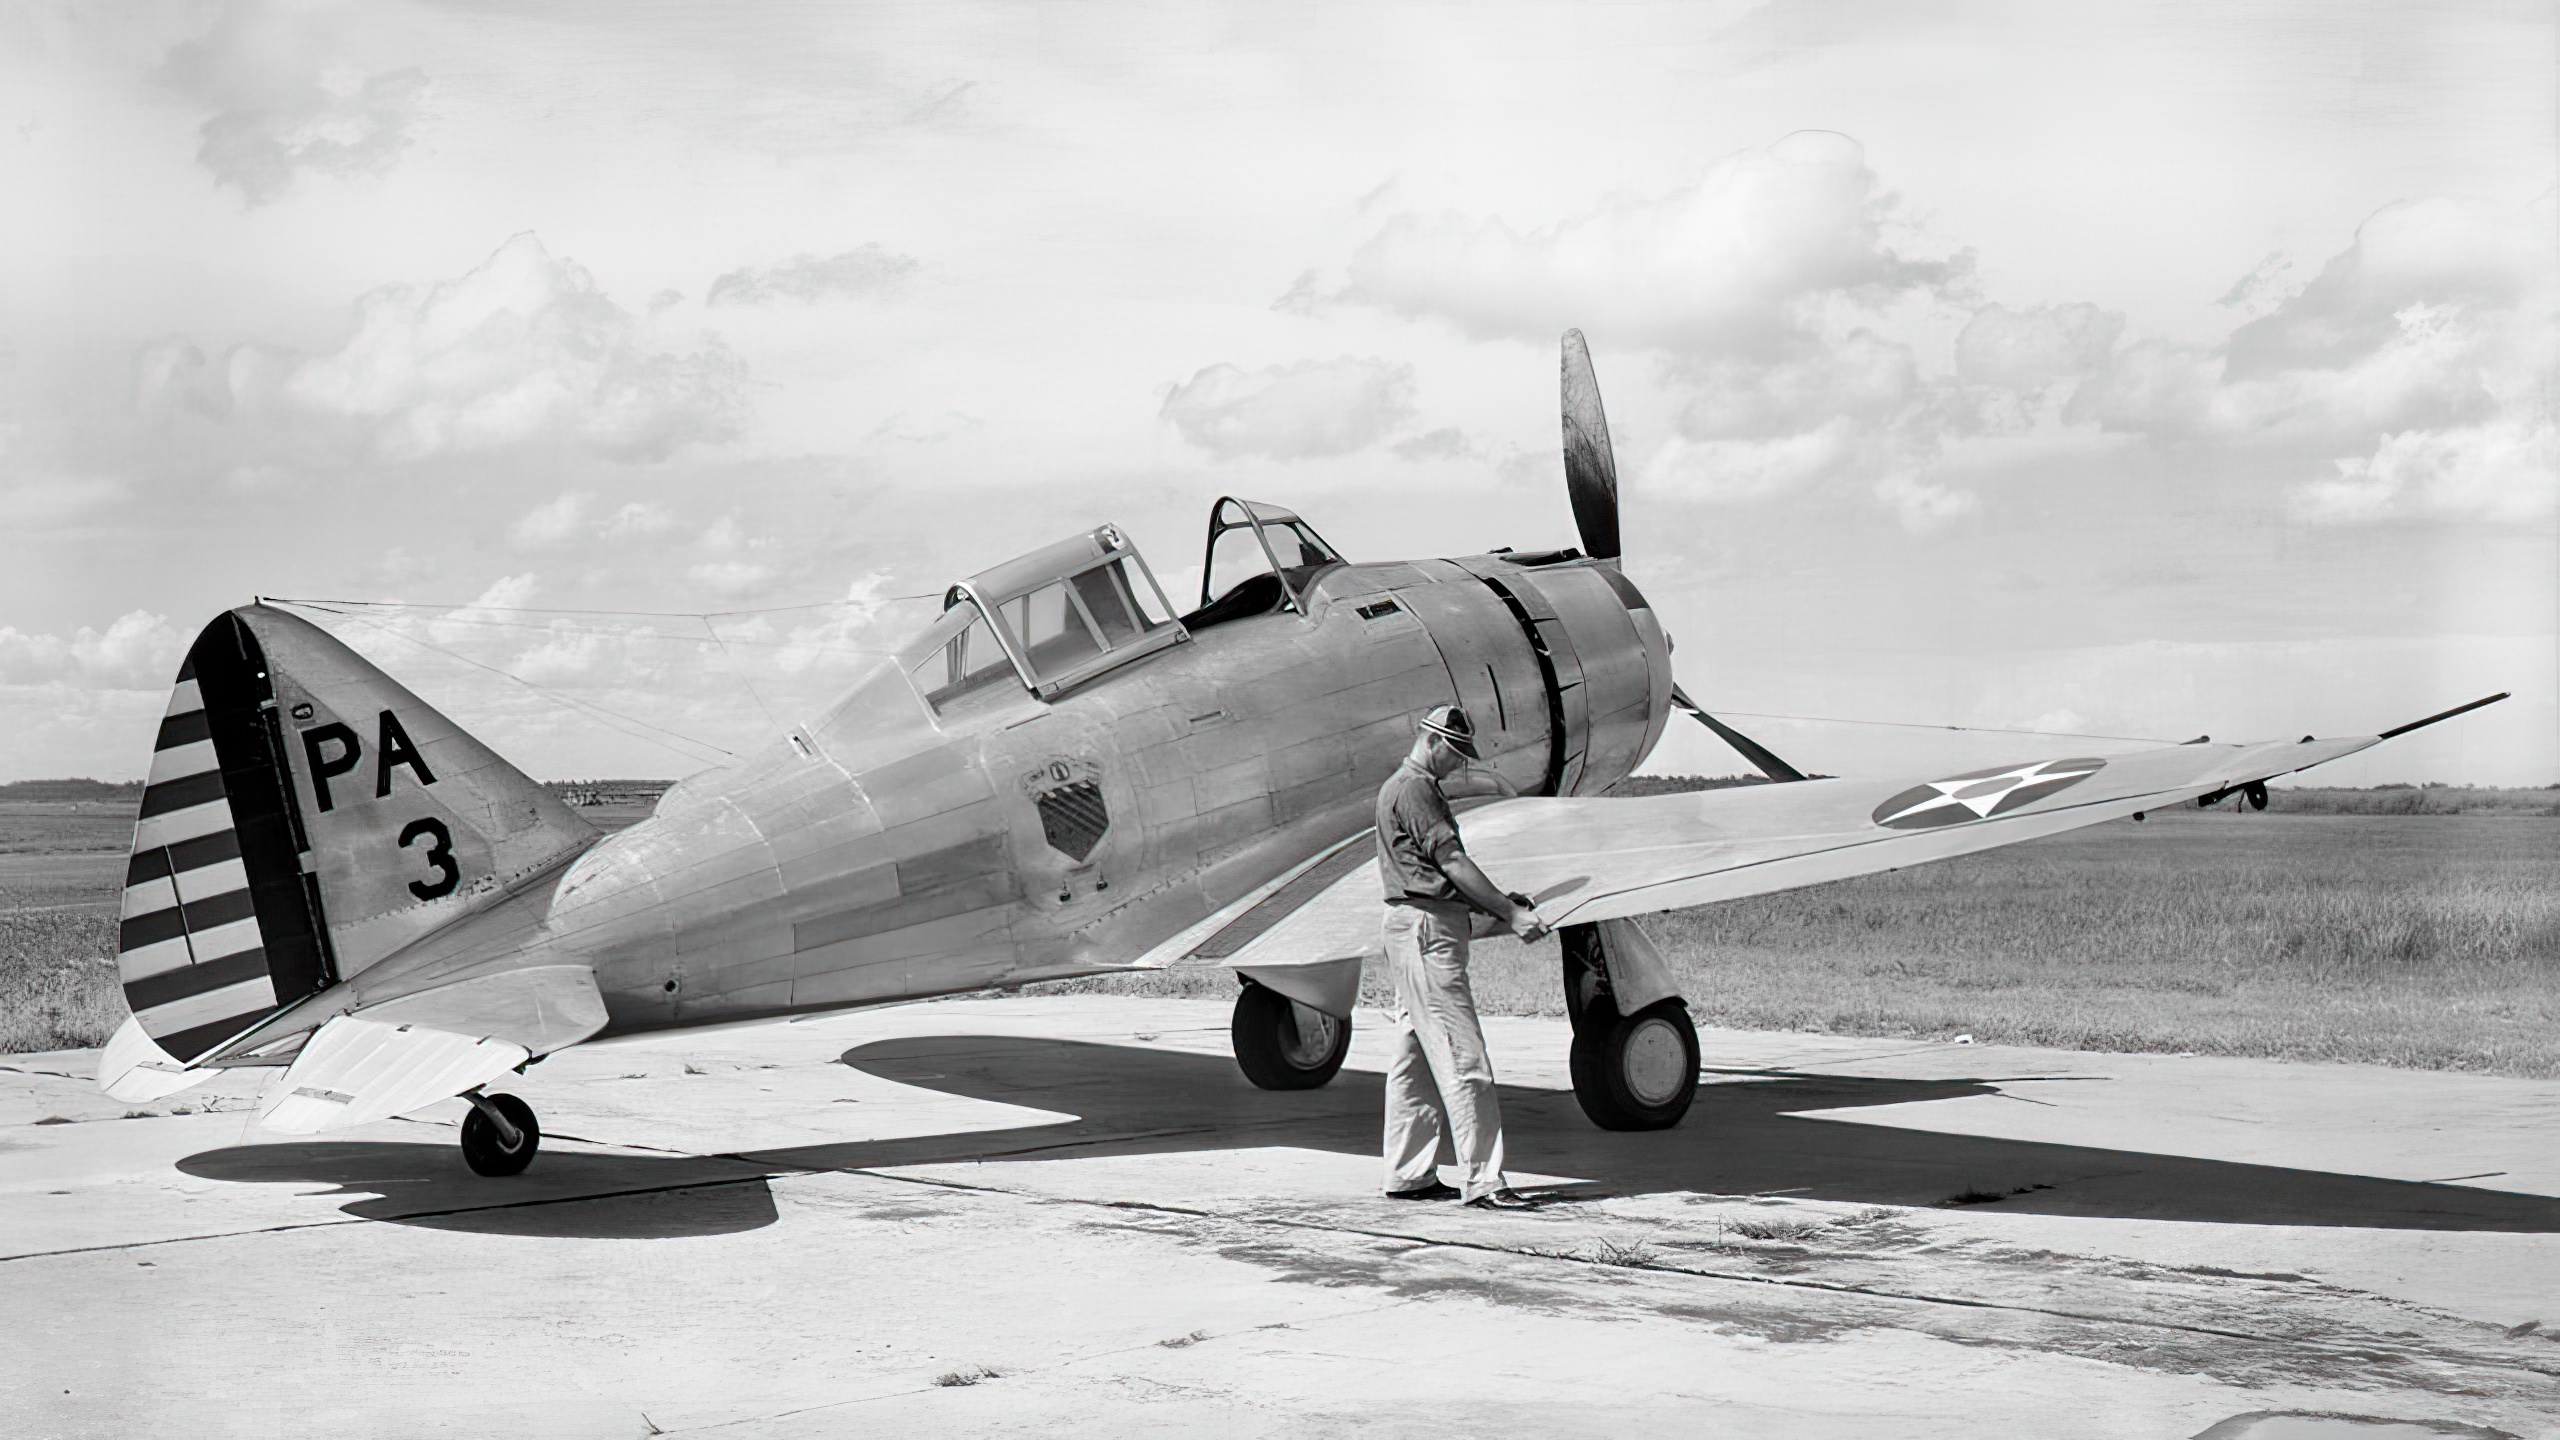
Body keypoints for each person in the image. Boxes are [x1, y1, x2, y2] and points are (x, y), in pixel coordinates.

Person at [1375, 704, 1549, 1209]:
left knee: (1415, 1059)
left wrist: (1496, 901)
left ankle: (1409, 1174)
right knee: (1462, 1054)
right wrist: (1511, 915)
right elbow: (1451, 861)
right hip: (1429, 934)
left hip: (1412, 928)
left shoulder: (1398, 789)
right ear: (1432, 741)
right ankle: (1484, 1180)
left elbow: (1438, 872)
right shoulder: (1416, 788)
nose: (1459, 763)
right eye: (1455, 752)